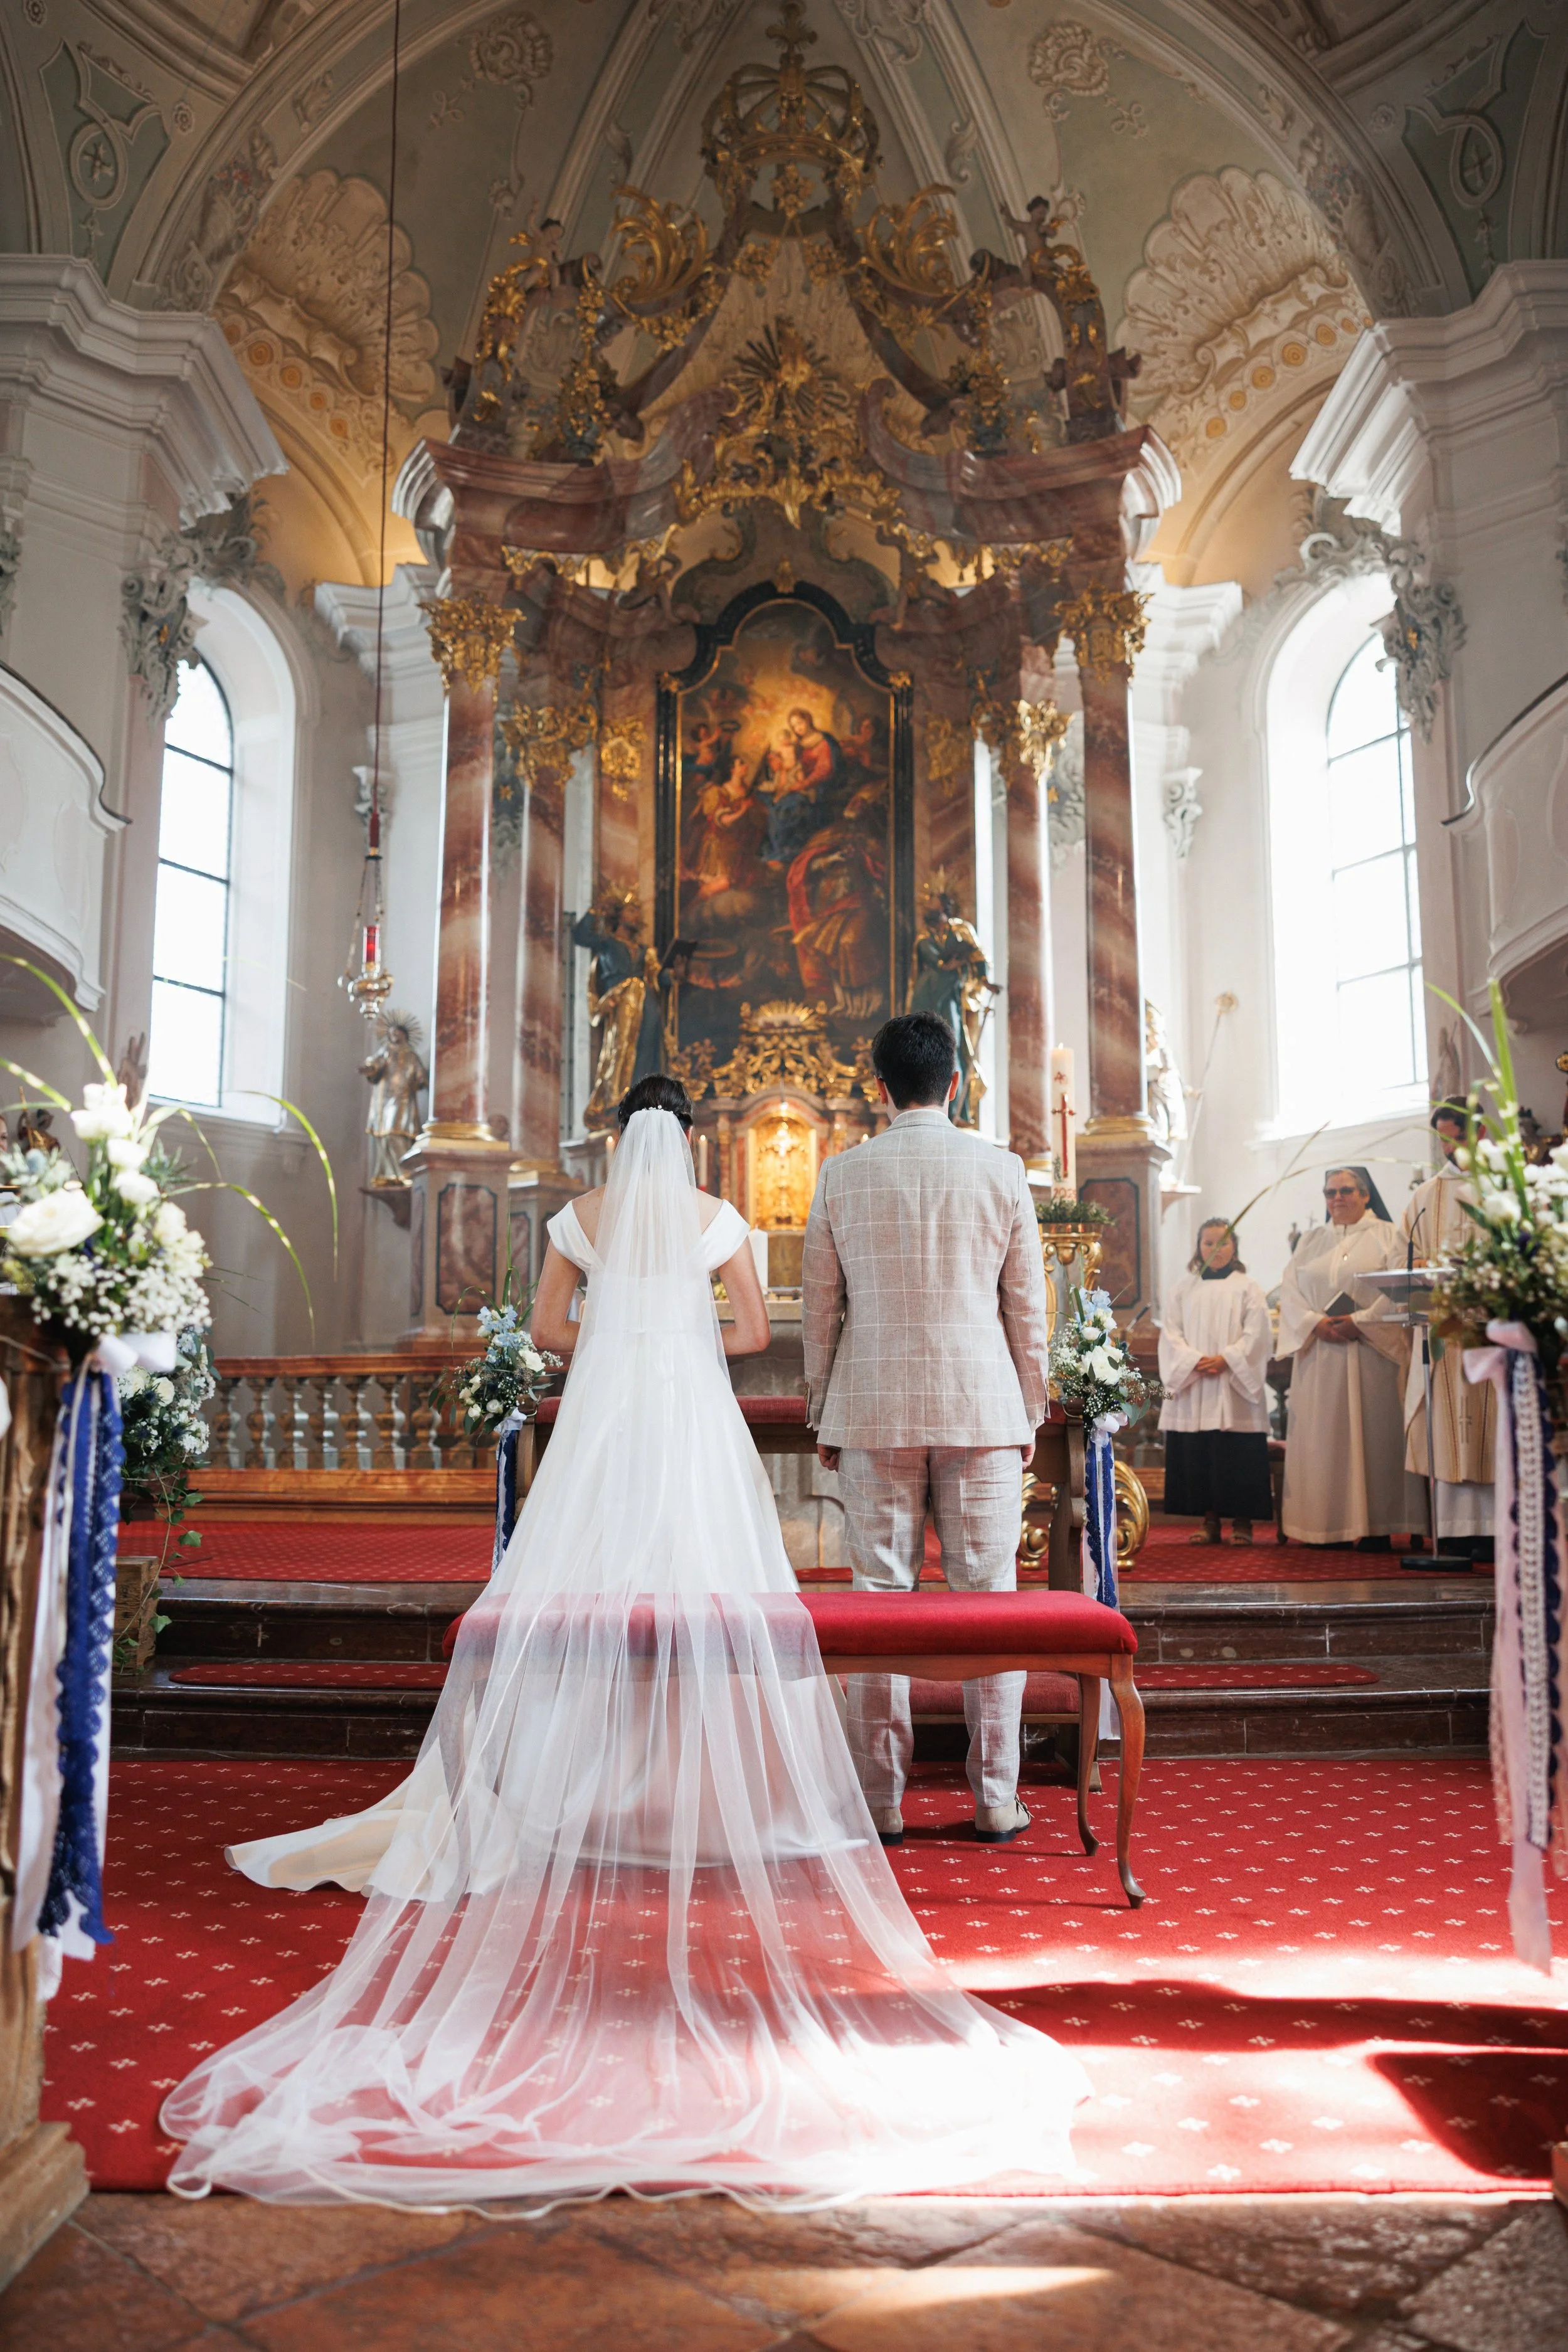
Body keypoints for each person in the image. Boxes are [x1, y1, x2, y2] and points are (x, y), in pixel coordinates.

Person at [161, 1073, 1087, 2208]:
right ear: (690, 1139)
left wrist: (621, 1325)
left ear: (616, 1137)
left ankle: (577, 1784)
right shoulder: (716, 1217)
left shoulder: (577, 1219)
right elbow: (751, 1330)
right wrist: (681, 1323)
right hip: (692, 1413)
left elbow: (551, 1329)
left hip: (605, 1415)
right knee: (704, 1592)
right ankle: (703, 1792)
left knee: (591, 1595)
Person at [802, 1010, 1051, 1848]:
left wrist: (818, 1408)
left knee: (877, 1604)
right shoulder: (1002, 1168)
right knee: (992, 1602)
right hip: (983, 1405)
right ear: (955, 1080)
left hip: (872, 1406)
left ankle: (879, 1801)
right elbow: (1027, 1306)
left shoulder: (842, 1173)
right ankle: (996, 1797)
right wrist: (1033, 1407)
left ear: (880, 1087)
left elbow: (821, 1309)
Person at [1278, 1166, 1424, 1549]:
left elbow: (1400, 1286)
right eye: (1330, 1192)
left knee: (1374, 1439)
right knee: (1324, 1441)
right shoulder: (1311, 1240)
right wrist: (1315, 1322)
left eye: (1345, 1191)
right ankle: (1326, 1527)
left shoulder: (1389, 1235)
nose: (1337, 1198)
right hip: (1321, 1356)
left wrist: (1361, 1321)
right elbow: (1289, 1291)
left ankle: (1378, 1527)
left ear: (1365, 1196)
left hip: (1370, 1354)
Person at [1400, 1102, 1495, 1562]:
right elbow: (1406, 1258)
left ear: (1478, 1133)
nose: (1448, 1147)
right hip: (1442, 1333)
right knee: (1449, 1428)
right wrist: (1416, 1267)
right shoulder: (1424, 1197)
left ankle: (1500, 1531)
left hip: (1493, 1334)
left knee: (1493, 1430)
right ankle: (1455, 1535)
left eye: (1455, 1137)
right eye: (1441, 1138)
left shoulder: (1504, 1187)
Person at [1157, 1217, 1273, 1545]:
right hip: (1197, 1382)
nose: (1215, 1249)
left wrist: (1228, 1359)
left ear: (1234, 1246)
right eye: (1208, 1242)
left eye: (1222, 1242)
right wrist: (1195, 1361)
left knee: (1237, 1454)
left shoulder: (1248, 1287)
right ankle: (1209, 1522)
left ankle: (1243, 1523)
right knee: (1202, 1453)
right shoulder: (1183, 1288)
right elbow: (1171, 1333)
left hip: (1233, 1383)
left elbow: (1257, 1333)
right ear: (1198, 1247)